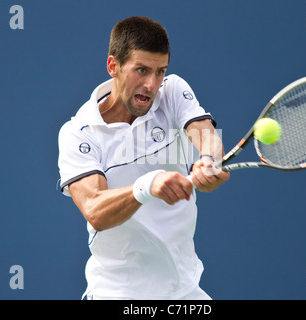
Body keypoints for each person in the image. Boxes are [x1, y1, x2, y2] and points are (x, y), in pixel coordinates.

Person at [58, 16, 230, 300]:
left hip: (185, 290)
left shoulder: (171, 91)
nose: (152, 84)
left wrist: (209, 160)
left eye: (160, 71)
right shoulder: (78, 133)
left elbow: (207, 136)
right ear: (113, 66)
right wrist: (147, 186)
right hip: (116, 293)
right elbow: (95, 210)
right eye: (141, 70)